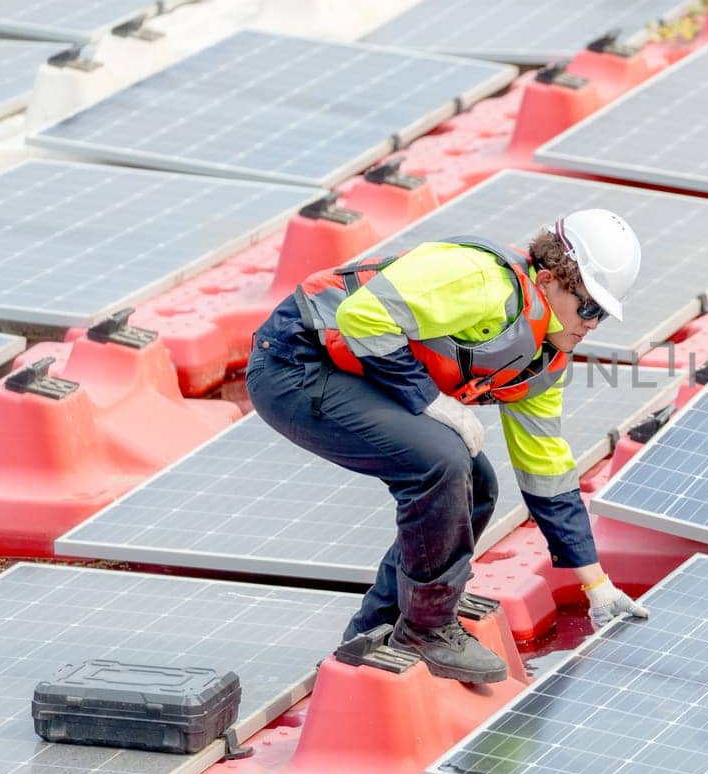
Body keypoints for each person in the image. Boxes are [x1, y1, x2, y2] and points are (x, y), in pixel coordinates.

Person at [246, 210, 649, 683]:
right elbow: (362, 317)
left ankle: (379, 630)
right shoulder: (483, 281)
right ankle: (426, 628)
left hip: (353, 377)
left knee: (478, 486)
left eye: (602, 313)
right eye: (588, 307)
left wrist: (595, 584)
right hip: (295, 364)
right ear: (548, 280)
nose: (593, 324)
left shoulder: (543, 359)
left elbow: (546, 471)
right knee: (440, 461)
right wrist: (428, 399)